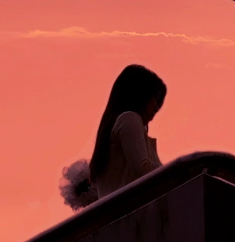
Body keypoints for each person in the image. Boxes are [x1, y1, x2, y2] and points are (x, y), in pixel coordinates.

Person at [59, 64, 167, 210]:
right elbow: (142, 169)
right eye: (156, 97)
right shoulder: (129, 119)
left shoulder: (112, 127)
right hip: (133, 212)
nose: (157, 106)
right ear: (142, 94)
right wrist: (176, 171)